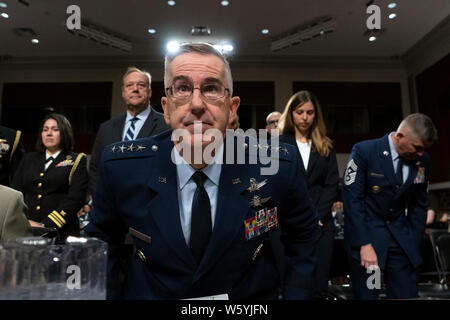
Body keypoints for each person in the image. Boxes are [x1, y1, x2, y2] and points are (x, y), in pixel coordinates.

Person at [86, 42, 321, 300]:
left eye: (211, 89)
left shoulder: (276, 165)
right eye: (183, 88)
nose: (196, 104)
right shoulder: (122, 167)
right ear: (165, 108)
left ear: (232, 108)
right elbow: (100, 244)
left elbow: (304, 237)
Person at [342, 113, 438, 299]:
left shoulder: (422, 162)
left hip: (401, 244)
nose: (420, 153)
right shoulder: (365, 151)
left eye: (424, 149)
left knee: (406, 295)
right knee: (371, 295)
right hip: (370, 247)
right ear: (400, 136)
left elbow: (419, 204)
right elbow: (353, 200)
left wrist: (413, 239)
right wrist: (364, 244)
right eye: (417, 147)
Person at [279, 90, 339, 299]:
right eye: (300, 112)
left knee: (319, 285)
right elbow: (276, 185)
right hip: (288, 225)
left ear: (316, 115)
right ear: (291, 114)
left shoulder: (326, 145)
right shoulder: (278, 143)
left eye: (310, 112)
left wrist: (317, 217)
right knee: (291, 286)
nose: (305, 117)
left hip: (322, 225)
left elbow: (331, 185)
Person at [88, 66, 169, 198]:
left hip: (150, 205)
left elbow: (168, 169)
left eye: (141, 85)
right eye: (129, 85)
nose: (135, 89)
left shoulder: (166, 125)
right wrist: (100, 198)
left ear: (149, 92)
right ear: (123, 92)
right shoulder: (106, 128)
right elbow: (96, 169)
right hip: (110, 206)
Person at [11, 113, 88, 243]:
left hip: (60, 232)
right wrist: (23, 221)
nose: (49, 133)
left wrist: (45, 225)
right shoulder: (28, 159)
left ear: (64, 133)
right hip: (27, 230)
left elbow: (76, 199)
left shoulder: (76, 160)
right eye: (45, 130)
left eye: (55, 129)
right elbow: (16, 192)